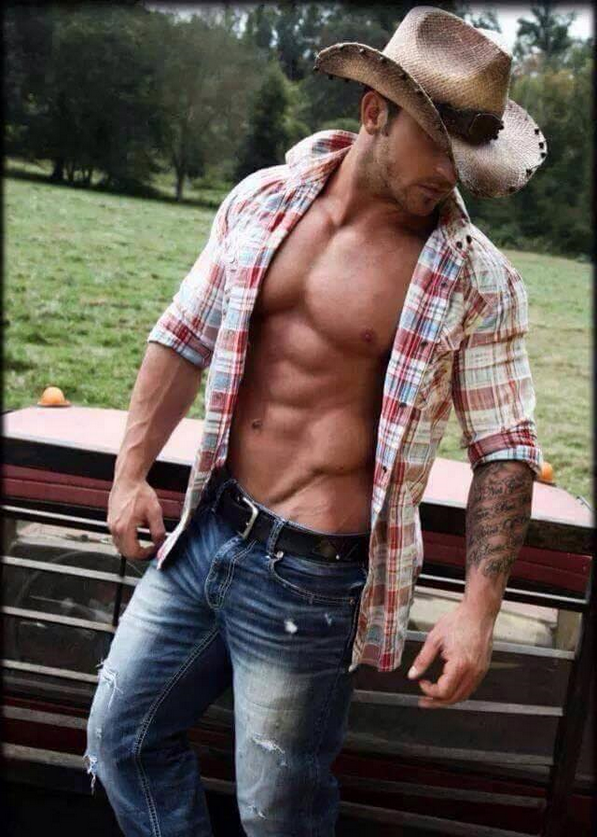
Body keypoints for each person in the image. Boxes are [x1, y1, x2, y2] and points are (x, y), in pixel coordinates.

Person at [84, 7, 547, 836]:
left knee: (279, 816)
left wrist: (478, 608)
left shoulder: (478, 280)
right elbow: (181, 335)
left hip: (311, 581)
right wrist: (128, 475)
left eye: (467, 157)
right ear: (374, 112)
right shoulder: (263, 199)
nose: (452, 175)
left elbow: (505, 449)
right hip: (204, 532)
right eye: (438, 147)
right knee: (122, 739)